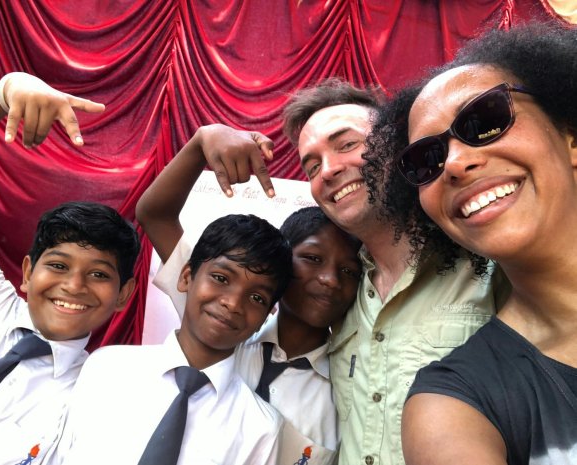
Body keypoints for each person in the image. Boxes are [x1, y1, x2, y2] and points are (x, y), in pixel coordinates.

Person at [178, 79, 508, 464]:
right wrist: (205, 137)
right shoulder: (342, 299)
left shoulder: (485, 261)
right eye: (312, 166)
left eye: (347, 144)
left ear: (397, 143)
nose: (329, 170)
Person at [366, 21, 577, 465]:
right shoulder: (455, 402)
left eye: (485, 121)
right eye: (426, 160)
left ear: (569, 137)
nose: (455, 164)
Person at [137, 129, 362, 463]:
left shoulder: (348, 389)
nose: (330, 279)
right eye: (313, 259)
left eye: (349, 271)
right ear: (280, 264)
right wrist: (202, 142)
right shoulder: (226, 326)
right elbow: (154, 215)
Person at [0, 73, 139, 465]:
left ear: (124, 294)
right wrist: (5, 90)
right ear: (27, 272)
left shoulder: (97, 398)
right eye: (57, 265)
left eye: (99, 274)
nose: (73, 285)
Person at [51, 183, 293, 463]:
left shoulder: (261, 429)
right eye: (221, 278)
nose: (233, 303)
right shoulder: (107, 367)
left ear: (268, 314)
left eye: (256, 297)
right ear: (186, 277)